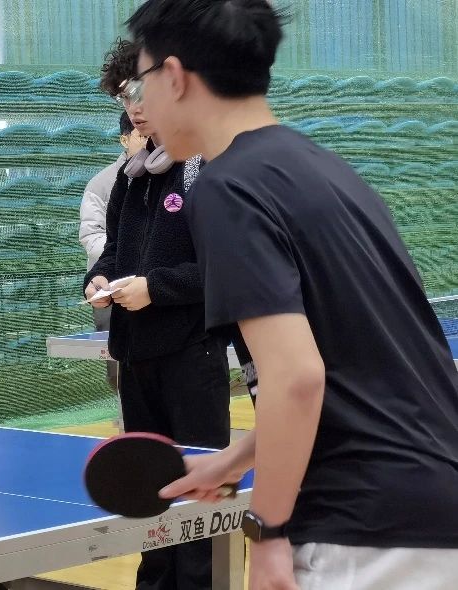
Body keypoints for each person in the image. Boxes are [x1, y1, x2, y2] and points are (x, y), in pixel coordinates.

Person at [123, 1, 458, 588]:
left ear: (174, 76)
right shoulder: (326, 170)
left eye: (140, 81)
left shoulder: (226, 187)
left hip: (361, 525)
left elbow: (297, 377)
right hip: (429, 498)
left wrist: (269, 531)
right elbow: (355, 372)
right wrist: (235, 459)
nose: (139, 104)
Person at [83, 38, 231, 590]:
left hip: (192, 355)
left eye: (139, 93)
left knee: (197, 490)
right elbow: (114, 252)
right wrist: (100, 280)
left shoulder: (206, 168)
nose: (133, 108)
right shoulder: (131, 174)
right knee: (149, 488)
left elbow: (226, 268)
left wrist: (156, 289)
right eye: (124, 97)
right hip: (136, 355)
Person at [80, 109, 148, 392]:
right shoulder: (103, 183)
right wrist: (126, 259)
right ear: (124, 139)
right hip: (112, 290)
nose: (148, 141)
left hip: (150, 289)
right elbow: (92, 236)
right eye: (141, 135)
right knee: (119, 373)